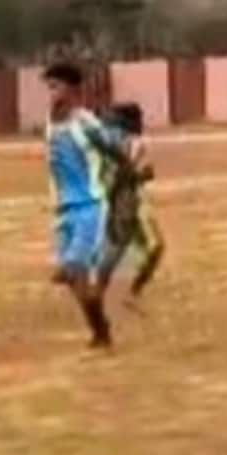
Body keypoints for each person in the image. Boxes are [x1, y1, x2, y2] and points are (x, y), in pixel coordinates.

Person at [42, 63, 127, 350]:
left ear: (73, 90)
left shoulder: (86, 123)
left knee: (72, 266)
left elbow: (117, 153)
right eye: (49, 87)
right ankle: (100, 330)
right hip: (64, 210)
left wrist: (118, 194)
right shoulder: (52, 123)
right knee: (77, 285)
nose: (51, 93)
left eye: (57, 86)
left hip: (90, 207)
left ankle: (101, 331)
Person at [96, 102, 164, 304]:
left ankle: (99, 291)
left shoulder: (110, 140)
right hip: (128, 197)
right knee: (154, 245)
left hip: (116, 196)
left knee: (120, 246)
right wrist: (142, 176)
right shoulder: (131, 142)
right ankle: (133, 293)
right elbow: (123, 175)